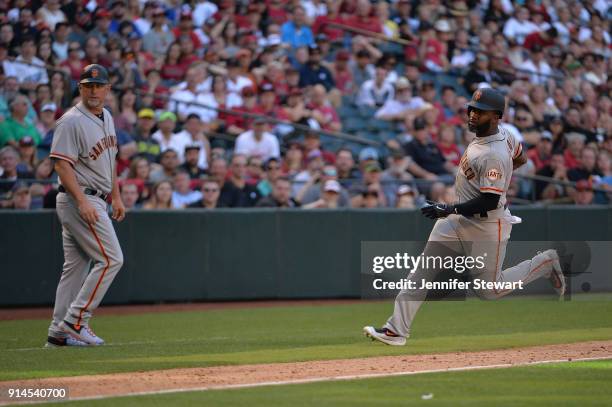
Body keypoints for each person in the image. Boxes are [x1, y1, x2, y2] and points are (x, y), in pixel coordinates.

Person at [364, 88, 566, 346]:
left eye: (480, 112)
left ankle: (545, 263)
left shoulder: (493, 153)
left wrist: (450, 208)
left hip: (486, 224)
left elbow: (490, 199)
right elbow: (521, 158)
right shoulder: (504, 136)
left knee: (488, 291)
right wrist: (492, 184)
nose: (472, 115)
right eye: (472, 109)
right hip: (457, 217)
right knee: (421, 273)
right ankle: (395, 330)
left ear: (496, 116)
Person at [46, 64, 125, 347]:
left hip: (97, 198)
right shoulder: (70, 121)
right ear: (80, 88)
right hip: (80, 198)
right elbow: (61, 165)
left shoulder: (107, 117)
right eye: (88, 86)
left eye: (98, 85)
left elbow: (111, 159)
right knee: (112, 259)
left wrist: (115, 195)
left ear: (107, 89)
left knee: (76, 268)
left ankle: (58, 332)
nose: (93, 90)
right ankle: (76, 320)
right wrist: (82, 201)